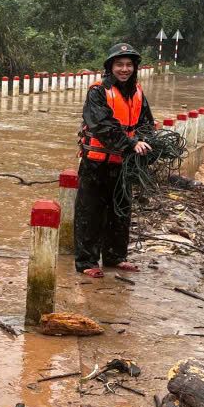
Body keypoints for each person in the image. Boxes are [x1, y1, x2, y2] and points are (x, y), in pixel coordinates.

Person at [73, 42, 155, 278]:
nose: (124, 69)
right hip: (96, 163)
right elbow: (101, 124)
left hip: (123, 164)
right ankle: (86, 261)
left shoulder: (138, 92)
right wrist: (130, 143)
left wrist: (145, 141)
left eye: (129, 65)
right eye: (119, 64)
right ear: (110, 67)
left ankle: (115, 256)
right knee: (90, 212)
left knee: (121, 211)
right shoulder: (98, 91)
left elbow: (146, 123)